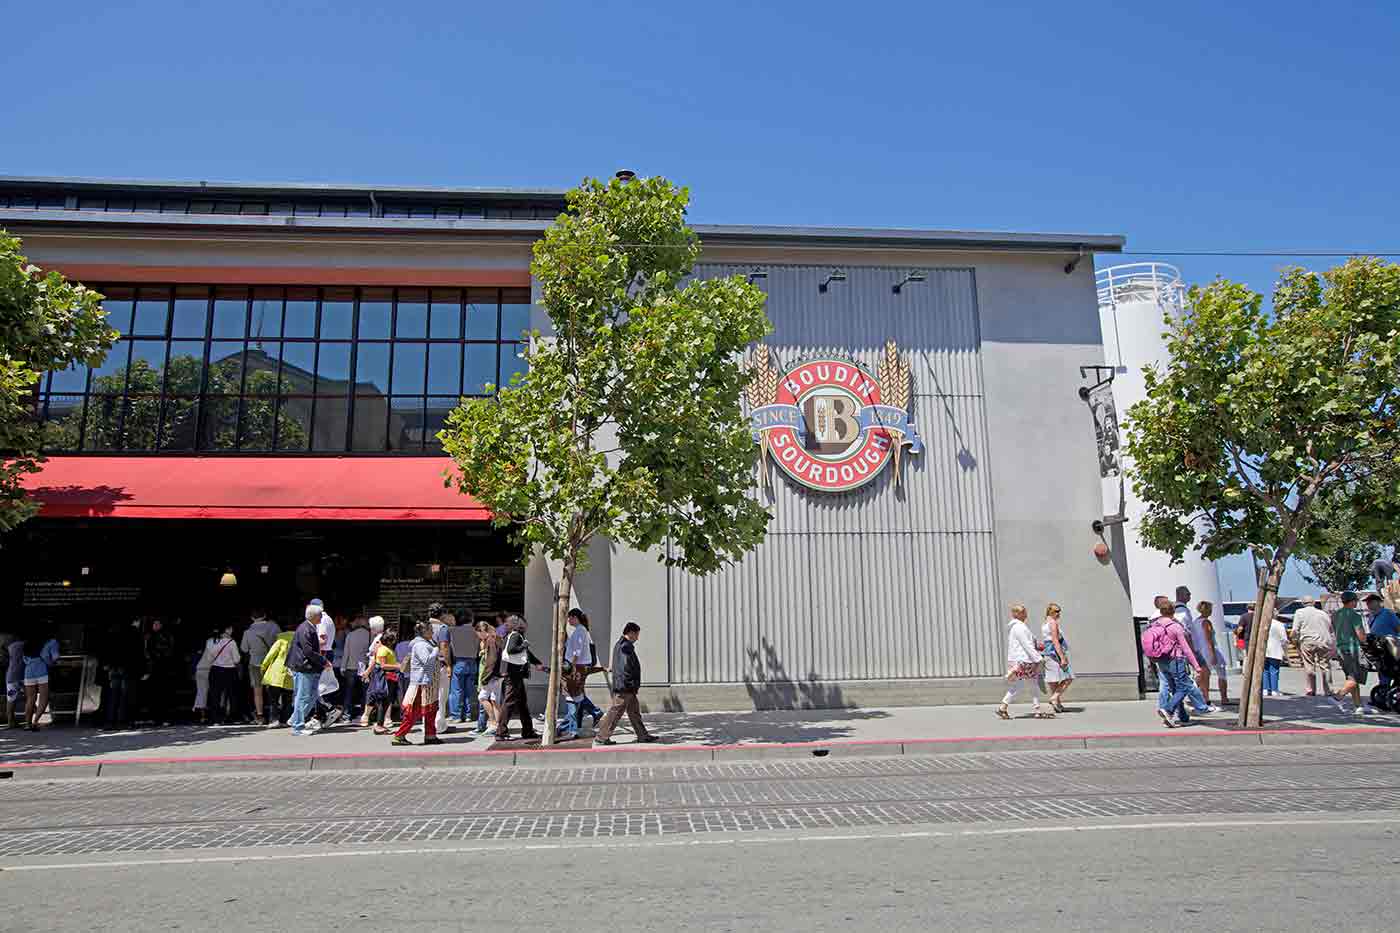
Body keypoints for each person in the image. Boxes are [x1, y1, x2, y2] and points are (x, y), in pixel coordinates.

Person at [596, 621, 659, 745]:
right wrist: (630, 684)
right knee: (615, 712)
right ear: (630, 633)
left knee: (634, 712)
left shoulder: (620, 644)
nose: (637, 638)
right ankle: (601, 737)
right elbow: (625, 668)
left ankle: (643, 735)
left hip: (626, 686)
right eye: (636, 634)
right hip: (625, 687)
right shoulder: (625, 646)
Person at [1144, 596, 1202, 728]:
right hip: (1175, 658)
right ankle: (1168, 709)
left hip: (1160, 658)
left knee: (1171, 687)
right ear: (1172, 611)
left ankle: (1180, 716)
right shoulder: (1174, 625)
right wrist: (1196, 666)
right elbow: (1186, 648)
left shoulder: (1154, 623)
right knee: (1183, 686)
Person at [392, 620, 444, 747]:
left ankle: (430, 735)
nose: (432, 632)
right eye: (430, 629)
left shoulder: (424, 643)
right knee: (414, 711)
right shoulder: (420, 645)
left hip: (427, 682)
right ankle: (400, 735)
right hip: (422, 683)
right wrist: (436, 651)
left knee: (431, 710)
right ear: (424, 632)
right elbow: (427, 661)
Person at [996, 605, 1050, 720]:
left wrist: (1039, 646)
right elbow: (1027, 644)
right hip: (1024, 660)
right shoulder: (1019, 627)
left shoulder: (1017, 627)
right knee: (1028, 684)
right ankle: (1036, 710)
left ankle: (1035, 709)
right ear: (1018, 614)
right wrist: (1039, 659)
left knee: (1026, 684)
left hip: (1019, 660)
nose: (1026, 614)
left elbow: (1030, 642)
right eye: (1024, 612)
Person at [287, 604, 332, 736]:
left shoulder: (307, 627)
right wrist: (323, 661)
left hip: (307, 667)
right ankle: (298, 726)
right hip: (304, 667)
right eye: (320, 615)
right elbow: (308, 651)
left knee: (311, 696)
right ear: (315, 616)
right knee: (304, 697)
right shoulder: (306, 629)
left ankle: (296, 719)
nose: (321, 617)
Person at [496, 616, 542, 741]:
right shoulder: (516, 635)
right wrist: (524, 645)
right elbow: (511, 650)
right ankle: (501, 732)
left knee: (522, 703)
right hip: (514, 674)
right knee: (509, 702)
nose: (526, 625)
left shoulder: (512, 635)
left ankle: (528, 730)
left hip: (515, 674)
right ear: (519, 624)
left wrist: (537, 662)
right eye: (524, 623)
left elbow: (526, 653)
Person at [563, 608, 604, 734]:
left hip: (577, 666)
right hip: (577, 665)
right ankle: (578, 723)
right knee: (578, 693)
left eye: (569, 617)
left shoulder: (580, 631)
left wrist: (573, 666)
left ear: (575, 618)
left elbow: (577, 651)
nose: (568, 620)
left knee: (574, 694)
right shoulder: (579, 630)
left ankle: (593, 713)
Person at [1292, 597, 1338, 709]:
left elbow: (1295, 630)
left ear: (1303, 603)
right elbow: (1331, 629)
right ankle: (1328, 690)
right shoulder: (1323, 613)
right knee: (1325, 666)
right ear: (1313, 603)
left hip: (1308, 640)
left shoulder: (1299, 612)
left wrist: (1295, 641)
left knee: (1309, 665)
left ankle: (1311, 690)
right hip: (1323, 640)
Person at [241, 609, 281, 726]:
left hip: (255, 664)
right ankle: (275, 716)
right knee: (273, 689)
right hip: (272, 662)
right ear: (264, 616)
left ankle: (260, 716)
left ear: (252, 618)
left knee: (257, 691)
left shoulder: (247, 632)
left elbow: (244, 649)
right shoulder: (274, 627)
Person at [1332, 592, 1370, 716]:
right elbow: (1360, 635)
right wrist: (1366, 641)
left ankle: (1358, 706)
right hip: (1353, 649)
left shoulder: (1336, 615)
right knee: (1357, 677)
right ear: (1352, 601)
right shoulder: (1355, 615)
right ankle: (1337, 697)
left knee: (1351, 677)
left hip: (1340, 649)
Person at [20, 625, 61, 732]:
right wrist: (51, 663)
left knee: (30, 699)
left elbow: (24, 659)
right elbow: (54, 657)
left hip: (28, 671)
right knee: (44, 697)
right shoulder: (51, 642)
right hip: (42, 671)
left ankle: (27, 724)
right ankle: (36, 721)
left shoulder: (27, 643)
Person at [259, 621, 296, 727]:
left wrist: (263, 668)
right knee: (287, 700)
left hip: (276, 674)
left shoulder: (280, 640)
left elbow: (270, 655)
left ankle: (274, 720)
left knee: (273, 700)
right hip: (290, 673)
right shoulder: (298, 640)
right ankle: (285, 720)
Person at [1193, 600, 1230, 705]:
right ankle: (1223, 698)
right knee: (1220, 671)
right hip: (1208, 651)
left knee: (1202, 675)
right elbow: (1209, 639)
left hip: (1199, 651)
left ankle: (1200, 696)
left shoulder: (1195, 622)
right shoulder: (1206, 622)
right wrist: (1213, 654)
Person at [365, 625, 400, 735]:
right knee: (383, 702)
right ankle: (379, 725)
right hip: (385, 679)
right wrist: (397, 666)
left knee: (385, 702)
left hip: (388, 678)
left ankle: (380, 725)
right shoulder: (384, 650)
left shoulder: (384, 649)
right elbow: (383, 665)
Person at [448, 609, 480, 725]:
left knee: (456, 690)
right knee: (470, 690)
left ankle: (456, 715)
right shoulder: (476, 631)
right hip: (473, 662)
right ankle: (468, 715)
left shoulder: (452, 631)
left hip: (459, 662)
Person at [1039, 603, 1073, 713]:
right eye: (1056, 611)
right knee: (1068, 677)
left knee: (1053, 680)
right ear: (1050, 611)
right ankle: (1054, 698)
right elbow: (1055, 641)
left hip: (1047, 653)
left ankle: (1057, 704)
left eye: (1059, 611)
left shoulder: (1045, 623)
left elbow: (1047, 640)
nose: (1059, 613)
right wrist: (1062, 657)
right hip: (1055, 652)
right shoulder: (1053, 623)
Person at [144, 619, 178, 726]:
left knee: (163, 694)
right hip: (156, 669)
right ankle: (157, 717)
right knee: (156, 694)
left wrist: (157, 655)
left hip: (162, 668)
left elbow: (169, 651)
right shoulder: (150, 636)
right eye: (154, 624)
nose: (154, 625)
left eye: (157, 624)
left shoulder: (164, 636)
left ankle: (163, 717)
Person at [1366, 593, 1400, 694]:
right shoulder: (1371, 616)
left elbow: (1398, 628)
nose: (1368, 604)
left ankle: (1387, 693)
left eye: (1371, 602)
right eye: (1367, 602)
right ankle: (1383, 693)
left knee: (1391, 670)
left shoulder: (1388, 613)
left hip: (1390, 648)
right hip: (1378, 649)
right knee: (1383, 671)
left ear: (1379, 602)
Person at [341, 616, 371, 724]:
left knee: (349, 692)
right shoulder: (369, 635)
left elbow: (346, 652)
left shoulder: (350, 635)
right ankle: (363, 714)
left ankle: (347, 715)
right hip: (364, 666)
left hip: (351, 666)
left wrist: (343, 666)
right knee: (365, 692)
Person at [359, 615, 387, 727]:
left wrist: (367, 671)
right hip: (376, 668)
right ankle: (369, 717)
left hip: (375, 669)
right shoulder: (381, 638)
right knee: (376, 693)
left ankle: (365, 716)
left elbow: (375, 658)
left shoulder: (378, 640)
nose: (370, 629)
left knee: (372, 692)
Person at [429, 605, 453, 735]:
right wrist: (448, 664)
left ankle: (427, 723)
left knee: (427, 696)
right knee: (441, 695)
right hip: (439, 665)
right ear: (442, 614)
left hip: (424, 666)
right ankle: (439, 724)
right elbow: (444, 646)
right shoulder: (443, 628)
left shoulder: (423, 626)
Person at [477, 620, 503, 735]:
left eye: (478, 633)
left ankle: (493, 723)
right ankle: (498, 725)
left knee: (482, 697)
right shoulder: (496, 638)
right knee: (494, 700)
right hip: (498, 674)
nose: (477, 636)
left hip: (491, 675)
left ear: (482, 631)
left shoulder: (490, 641)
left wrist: (485, 677)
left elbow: (491, 661)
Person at [1263, 610, 1289, 697]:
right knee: (1274, 670)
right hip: (1275, 649)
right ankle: (1274, 690)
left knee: (1265, 670)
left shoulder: (1262, 623)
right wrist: (1286, 651)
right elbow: (1284, 639)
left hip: (1263, 650)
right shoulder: (1279, 624)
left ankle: (1265, 689)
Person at [5, 634, 24, 729]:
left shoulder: (10, 647)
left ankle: (10, 722)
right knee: (30, 696)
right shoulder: (24, 645)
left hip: (11, 677)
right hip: (23, 677)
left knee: (11, 699)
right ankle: (31, 719)